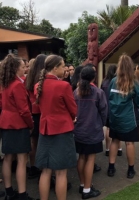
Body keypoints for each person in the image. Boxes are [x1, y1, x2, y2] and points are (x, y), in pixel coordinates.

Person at [34, 55, 77, 200]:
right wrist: (72, 117)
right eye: (63, 65)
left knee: (45, 171)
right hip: (62, 131)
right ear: (55, 68)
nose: (65, 68)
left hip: (45, 130)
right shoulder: (63, 85)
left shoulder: (38, 86)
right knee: (61, 173)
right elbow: (73, 110)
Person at [0, 54, 35, 200]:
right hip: (18, 124)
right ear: (15, 68)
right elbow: (24, 110)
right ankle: (22, 194)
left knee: (8, 158)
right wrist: (31, 124)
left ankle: (9, 191)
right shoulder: (18, 85)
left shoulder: (5, 83)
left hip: (6, 122)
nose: (25, 69)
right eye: (22, 67)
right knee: (22, 159)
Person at [107, 54, 139, 179]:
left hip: (115, 119)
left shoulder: (113, 81)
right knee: (129, 143)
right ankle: (130, 170)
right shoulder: (133, 83)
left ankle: (111, 168)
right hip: (129, 120)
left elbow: (109, 98)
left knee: (114, 141)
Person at [74, 66, 107, 199]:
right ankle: (87, 190)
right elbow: (104, 112)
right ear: (94, 77)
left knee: (81, 157)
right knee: (90, 159)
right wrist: (101, 124)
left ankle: (83, 184)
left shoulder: (75, 92)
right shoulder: (98, 93)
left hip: (79, 130)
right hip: (93, 130)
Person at [25, 54, 47, 179]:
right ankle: (44, 168)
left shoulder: (29, 78)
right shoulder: (42, 79)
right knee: (43, 142)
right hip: (42, 112)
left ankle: (33, 166)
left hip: (32, 112)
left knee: (34, 142)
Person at [101, 65, 123, 157]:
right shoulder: (116, 82)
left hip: (106, 108)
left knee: (107, 129)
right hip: (115, 108)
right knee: (117, 128)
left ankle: (107, 149)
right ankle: (119, 148)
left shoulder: (104, 82)